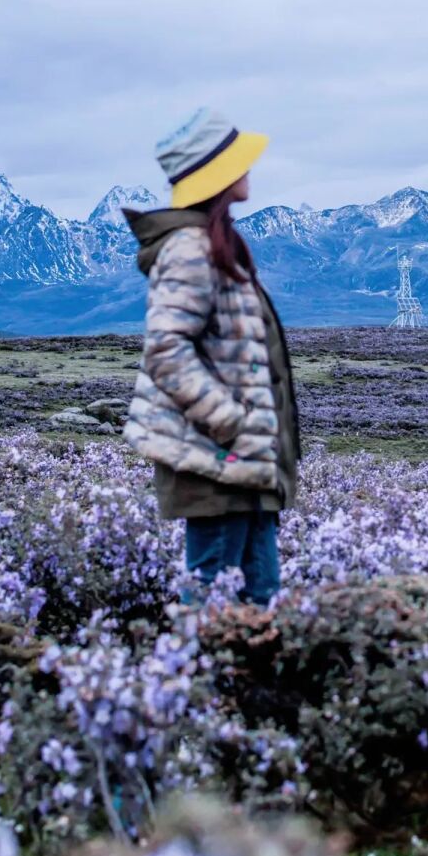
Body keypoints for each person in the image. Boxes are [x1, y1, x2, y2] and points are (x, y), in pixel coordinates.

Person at [120, 107, 302, 607]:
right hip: (217, 459)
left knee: (259, 597)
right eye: (238, 160)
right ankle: (194, 683)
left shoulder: (215, 244)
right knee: (211, 600)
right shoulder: (188, 249)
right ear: (216, 173)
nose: (250, 169)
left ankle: (235, 685)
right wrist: (232, 424)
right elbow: (166, 350)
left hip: (242, 464)